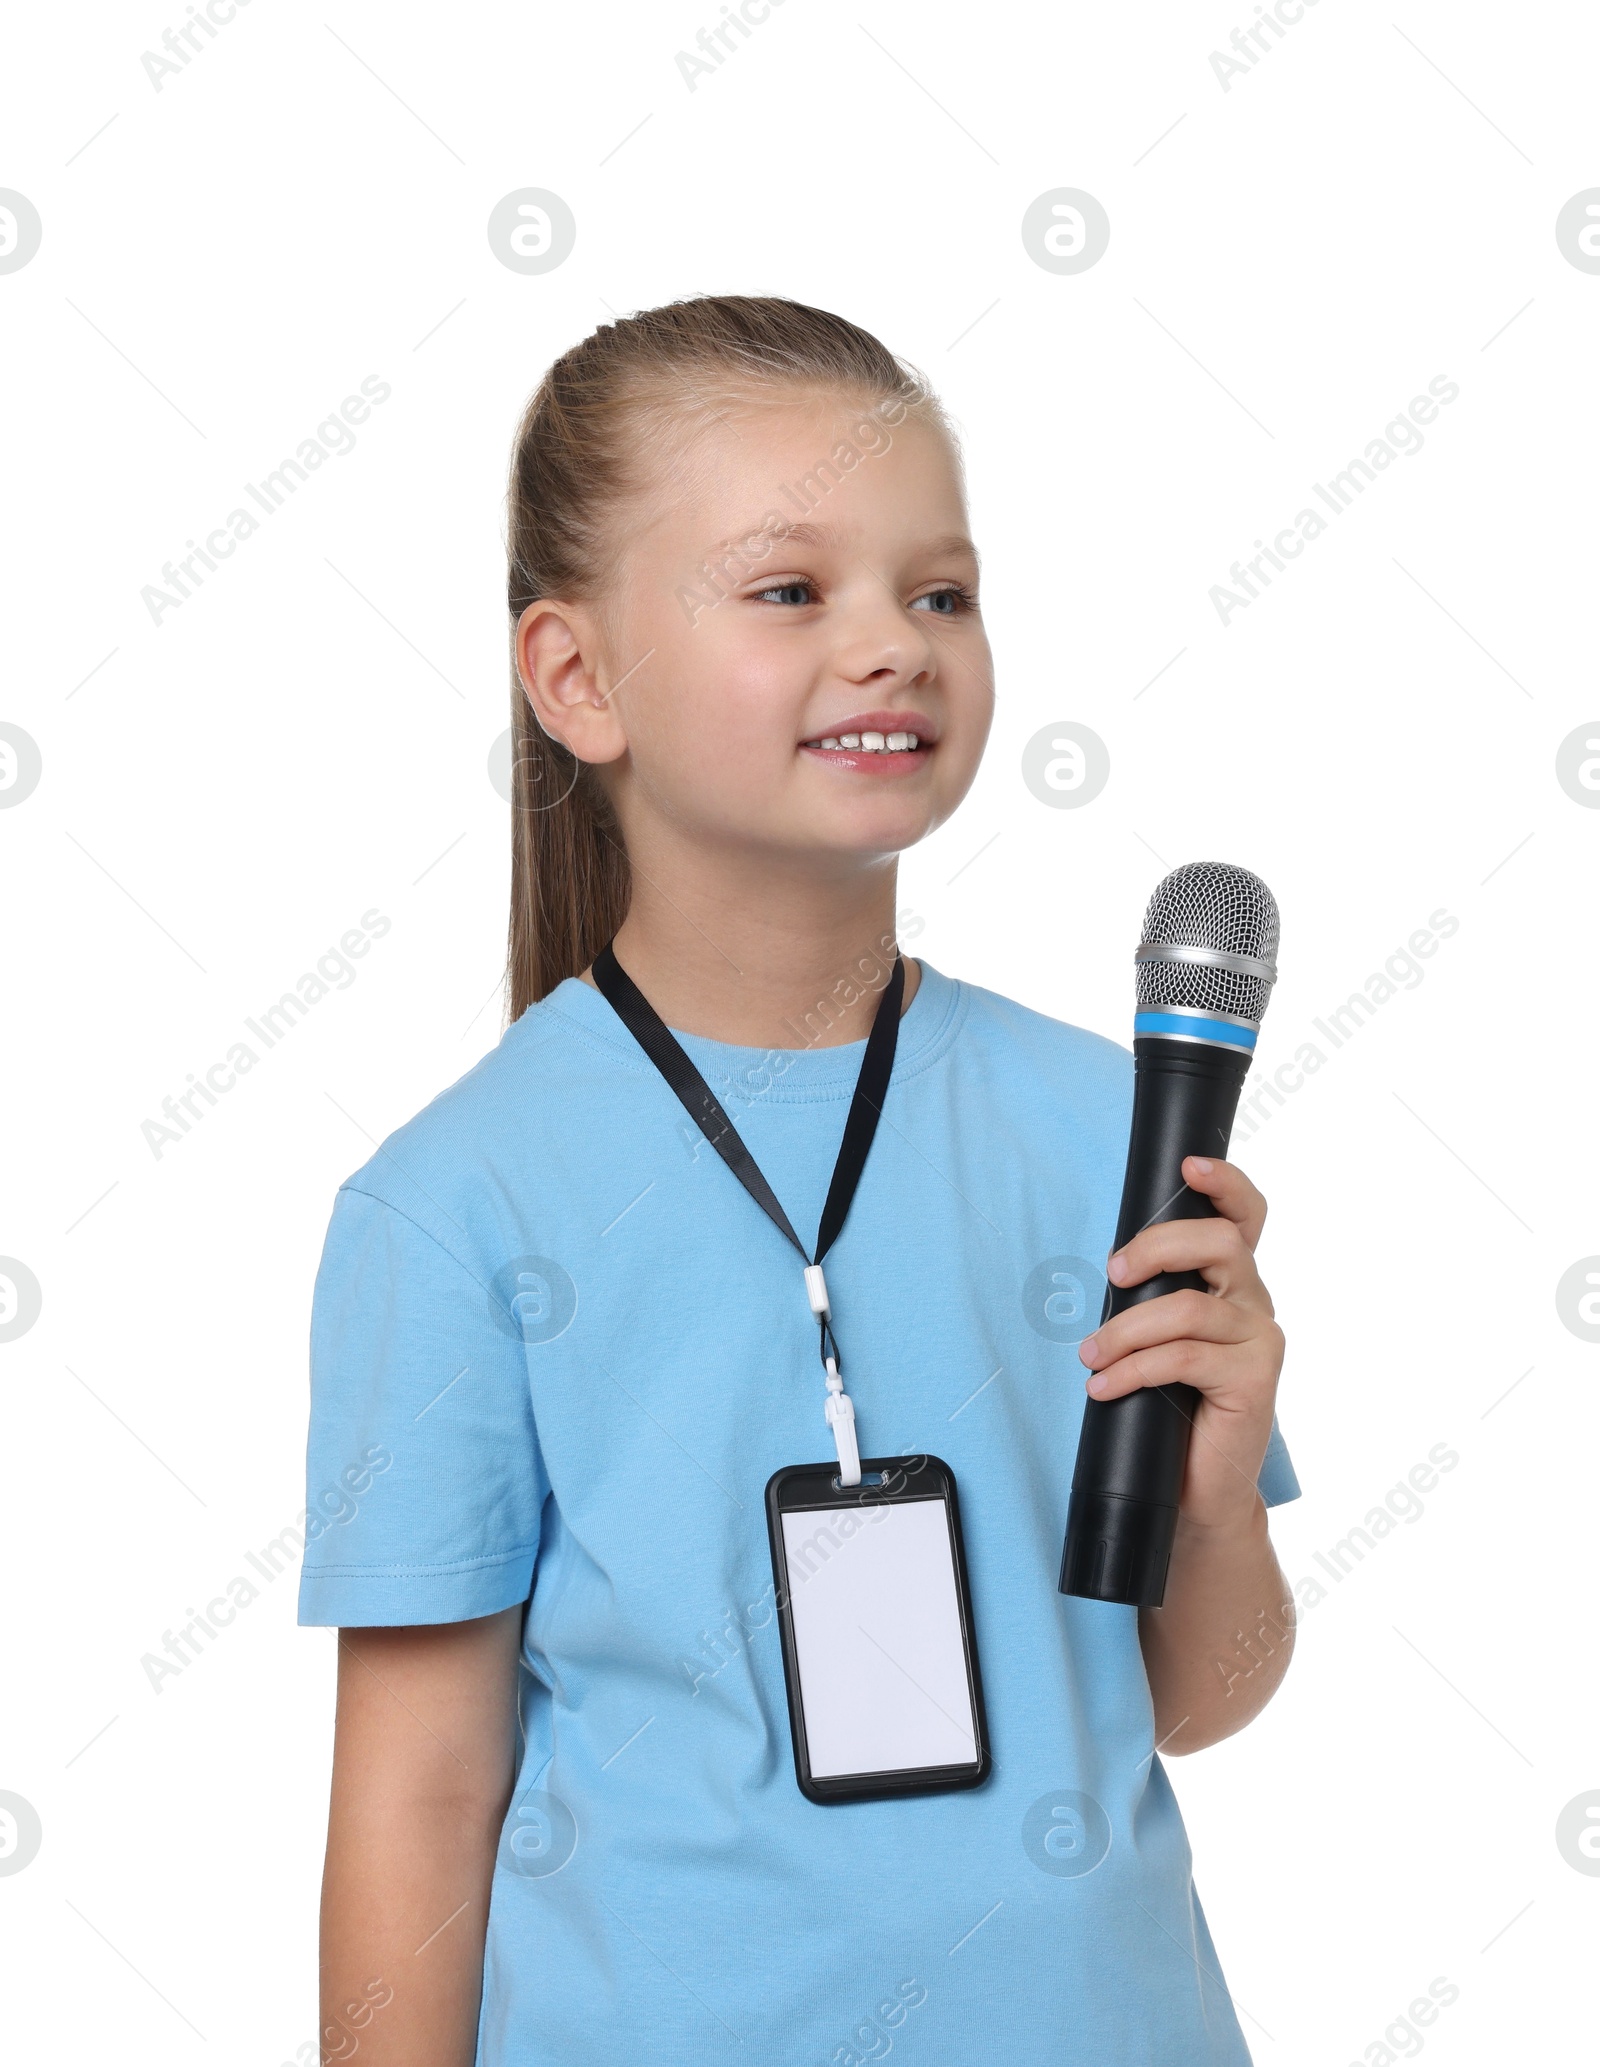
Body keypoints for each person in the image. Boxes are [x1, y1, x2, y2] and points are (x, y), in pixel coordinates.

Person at [299, 294, 1300, 2066]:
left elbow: (1197, 1704)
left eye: (941, 593)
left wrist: (1213, 1498)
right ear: (577, 679)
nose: (893, 647)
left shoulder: (1110, 1125)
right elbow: (416, 1798)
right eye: (790, 590)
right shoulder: (456, 1202)